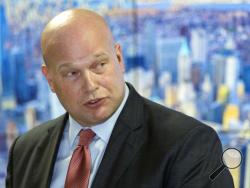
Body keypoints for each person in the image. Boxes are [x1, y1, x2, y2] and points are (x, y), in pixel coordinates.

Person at [6, 8, 234, 188]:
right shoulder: (25, 150)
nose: (90, 85)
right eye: (72, 73)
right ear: (50, 80)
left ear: (119, 58)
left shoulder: (189, 145)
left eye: (99, 65)